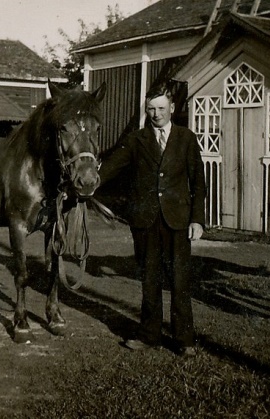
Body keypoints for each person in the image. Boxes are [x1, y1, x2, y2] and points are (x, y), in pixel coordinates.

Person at [98, 83, 206, 357]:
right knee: (149, 279)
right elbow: (110, 168)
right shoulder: (136, 140)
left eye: (160, 108)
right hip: (145, 221)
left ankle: (184, 339)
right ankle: (149, 335)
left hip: (178, 221)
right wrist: (86, 182)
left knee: (180, 280)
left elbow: (199, 183)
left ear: (171, 108)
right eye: (150, 110)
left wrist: (197, 220)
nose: (156, 114)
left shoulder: (186, 138)